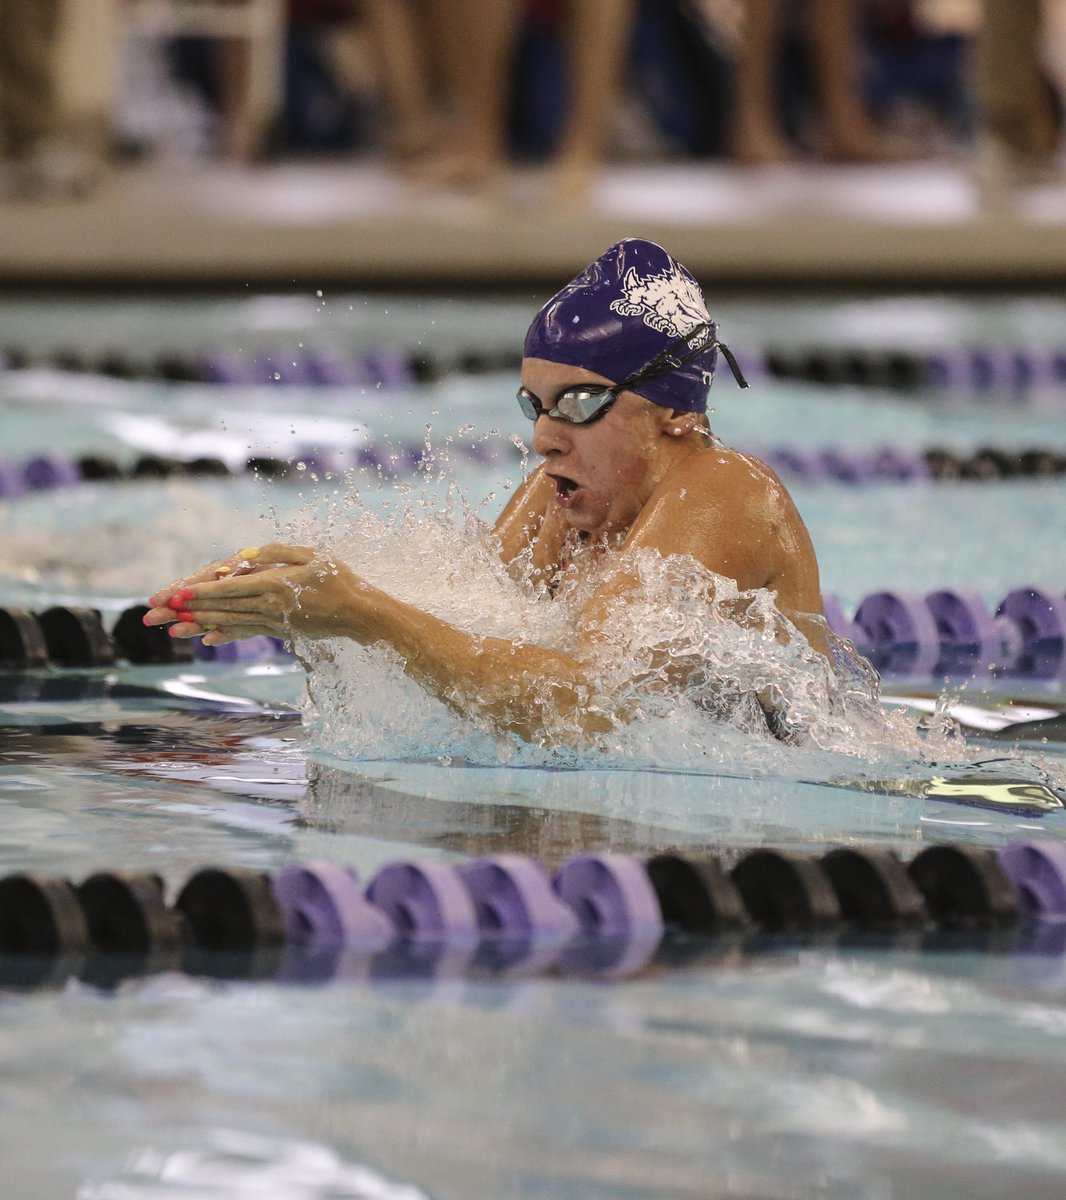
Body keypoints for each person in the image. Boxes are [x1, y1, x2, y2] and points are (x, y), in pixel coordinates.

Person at [144, 239, 826, 743]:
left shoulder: (725, 491)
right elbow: (472, 628)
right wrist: (294, 598)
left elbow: (587, 711)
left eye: (581, 402)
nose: (545, 439)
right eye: (538, 406)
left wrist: (363, 613)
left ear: (675, 410)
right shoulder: (568, 493)